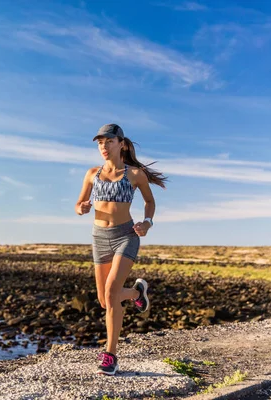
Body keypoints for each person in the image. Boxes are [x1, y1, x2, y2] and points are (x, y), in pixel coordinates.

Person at [75, 123, 167, 376]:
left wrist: (147, 222)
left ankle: (110, 354)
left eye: (108, 142)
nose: (103, 147)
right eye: (100, 143)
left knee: (112, 291)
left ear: (121, 144)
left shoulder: (135, 174)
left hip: (126, 236)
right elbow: (78, 203)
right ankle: (137, 293)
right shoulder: (92, 173)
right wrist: (81, 208)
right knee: (105, 300)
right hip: (99, 237)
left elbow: (150, 201)